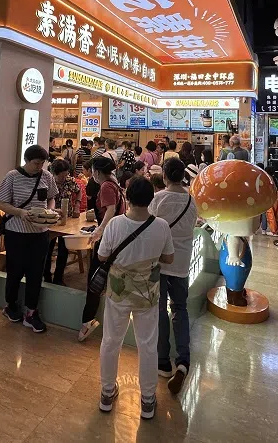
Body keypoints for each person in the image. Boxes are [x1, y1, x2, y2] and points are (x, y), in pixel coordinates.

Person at [98, 176, 174, 419]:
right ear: (151, 199)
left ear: (127, 198)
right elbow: (169, 258)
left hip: (118, 292)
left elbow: (102, 256)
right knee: (148, 344)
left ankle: (107, 393)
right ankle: (148, 399)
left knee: (111, 340)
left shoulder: (115, 224)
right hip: (148, 293)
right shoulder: (161, 226)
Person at [0, 145, 58, 332]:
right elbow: (3, 204)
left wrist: (51, 210)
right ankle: (11, 305)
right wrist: (21, 212)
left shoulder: (46, 176)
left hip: (40, 233)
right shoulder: (12, 176)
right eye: (36, 163)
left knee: (36, 273)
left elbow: (52, 197)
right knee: (15, 270)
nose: (39, 167)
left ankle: (31, 312)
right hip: (17, 233)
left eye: (42, 163)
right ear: (27, 160)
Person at [150, 158, 197, 395]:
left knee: (159, 311)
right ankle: (183, 361)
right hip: (181, 264)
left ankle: (162, 362)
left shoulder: (158, 199)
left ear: (165, 176)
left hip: (159, 263)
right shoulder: (191, 200)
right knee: (180, 309)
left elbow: (147, 226)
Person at [79, 156, 126, 341]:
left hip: (108, 237)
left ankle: (87, 322)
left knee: (95, 280)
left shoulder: (106, 185)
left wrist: (99, 230)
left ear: (97, 172)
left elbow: (111, 210)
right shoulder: (114, 183)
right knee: (105, 279)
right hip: (116, 236)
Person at [44, 158, 80, 286]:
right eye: (62, 175)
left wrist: (77, 205)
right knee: (47, 249)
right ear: (54, 173)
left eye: (66, 174)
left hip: (67, 219)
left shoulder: (70, 181)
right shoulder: (48, 182)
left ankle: (59, 277)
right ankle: (47, 276)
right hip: (50, 220)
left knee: (64, 250)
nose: (65, 177)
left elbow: (78, 191)